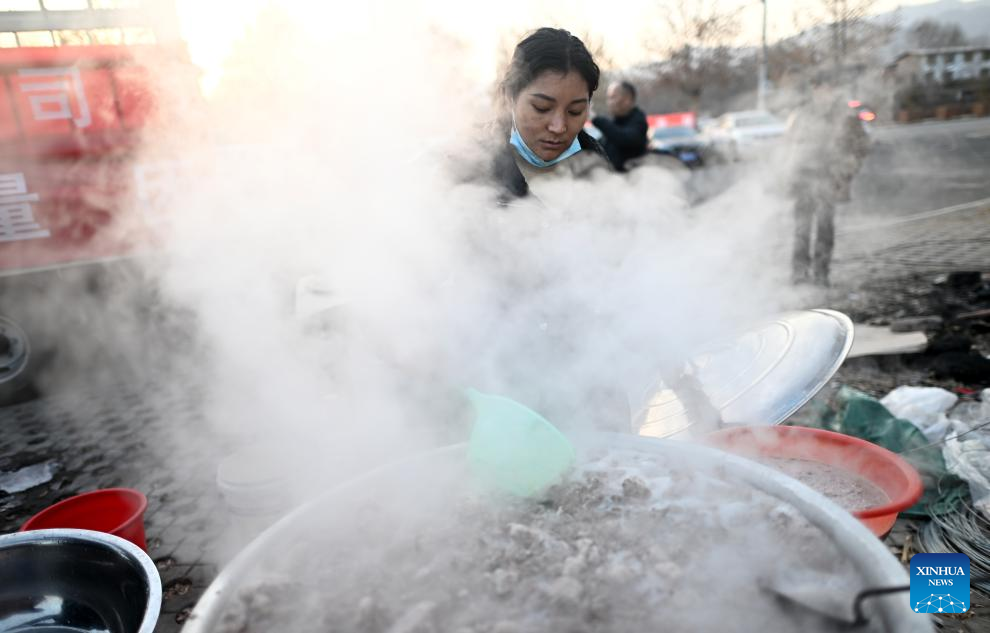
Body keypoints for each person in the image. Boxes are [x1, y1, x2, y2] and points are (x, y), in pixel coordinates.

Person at [488, 27, 613, 203]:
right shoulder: (470, 166)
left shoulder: (600, 172)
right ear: (510, 98)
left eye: (575, 111)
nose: (559, 127)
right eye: (542, 108)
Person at [788, 73, 870, 287]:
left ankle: (821, 273)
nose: (821, 92)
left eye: (826, 87)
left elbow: (861, 145)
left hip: (829, 177)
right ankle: (799, 272)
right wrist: (789, 173)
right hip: (804, 176)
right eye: (817, 88)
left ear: (832, 89)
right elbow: (789, 144)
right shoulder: (803, 113)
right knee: (801, 228)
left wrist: (846, 172)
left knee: (825, 227)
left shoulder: (846, 114)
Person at [591, 80, 648, 171]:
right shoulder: (615, 122)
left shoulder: (638, 121)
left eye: (612, 97)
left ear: (627, 100)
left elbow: (623, 137)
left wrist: (594, 118)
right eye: (608, 98)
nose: (609, 102)